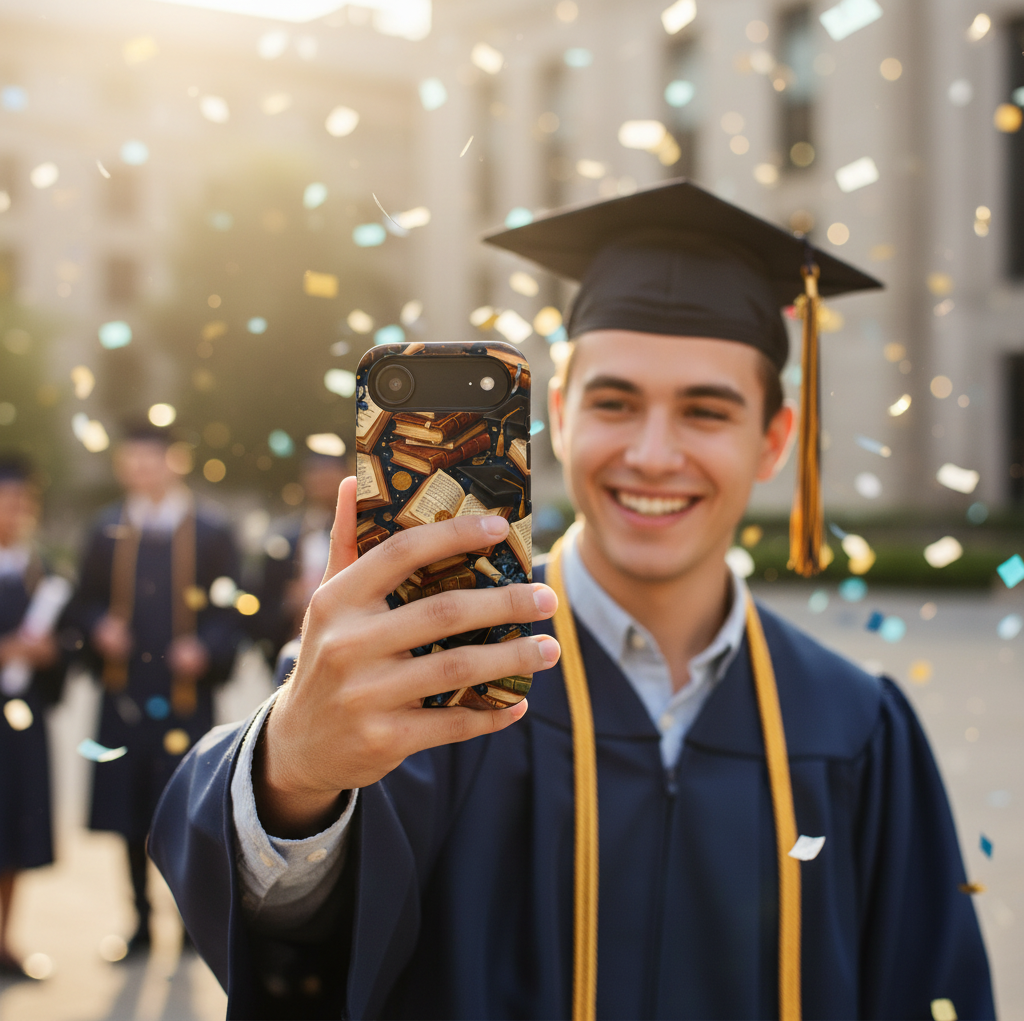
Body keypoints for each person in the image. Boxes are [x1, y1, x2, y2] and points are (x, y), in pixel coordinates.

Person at [150, 181, 993, 1019]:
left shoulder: (854, 729)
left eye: (706, 411)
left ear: (775, 439)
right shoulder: (426, 674)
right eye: (615, 402)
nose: (653, 454)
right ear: (556, 412)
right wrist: (294, 771)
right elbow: (294, 951)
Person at [71, 422, 244, 957]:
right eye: (132, 459)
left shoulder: (211, 531)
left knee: (187, 807)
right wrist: (99, 626)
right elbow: (84, 601)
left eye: (150, 458)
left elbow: (230, 607)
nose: (140, 469)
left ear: (175, 461)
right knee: (129, 810)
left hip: (184, 694)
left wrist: (208, 648)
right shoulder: (107, 530)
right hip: (127, 694)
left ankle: (189, 920)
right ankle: (141, 921)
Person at [0, 455, 68, 979]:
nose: (15, 510)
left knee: (13, 830)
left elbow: (69, 642)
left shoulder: (42, 570)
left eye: (24, 502)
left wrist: (52, 653)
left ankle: (2, 940)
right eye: (7, 499)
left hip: (21, 721)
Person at [249, 452, 352, 669]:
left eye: (328, 470)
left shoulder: (367, 535)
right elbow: (263, 608)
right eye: (314, 470)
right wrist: (287, 603)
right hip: (298, 650)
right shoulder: (286, 541)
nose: (320, 478)